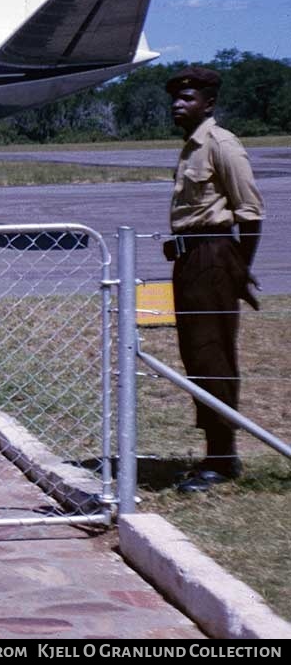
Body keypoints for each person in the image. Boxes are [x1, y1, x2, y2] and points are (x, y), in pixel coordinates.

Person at [165, 66, 264, 493]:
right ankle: (215, 452)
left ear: (209, 103)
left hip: (215, 257)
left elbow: (251, 213)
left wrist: (237, 270)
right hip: (191, 259)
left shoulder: (221, 144)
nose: (178, 104)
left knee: (213, 355)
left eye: (188, 98)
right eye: (176, 98)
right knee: (196, 355)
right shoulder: (190, 148)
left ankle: (223, 460)